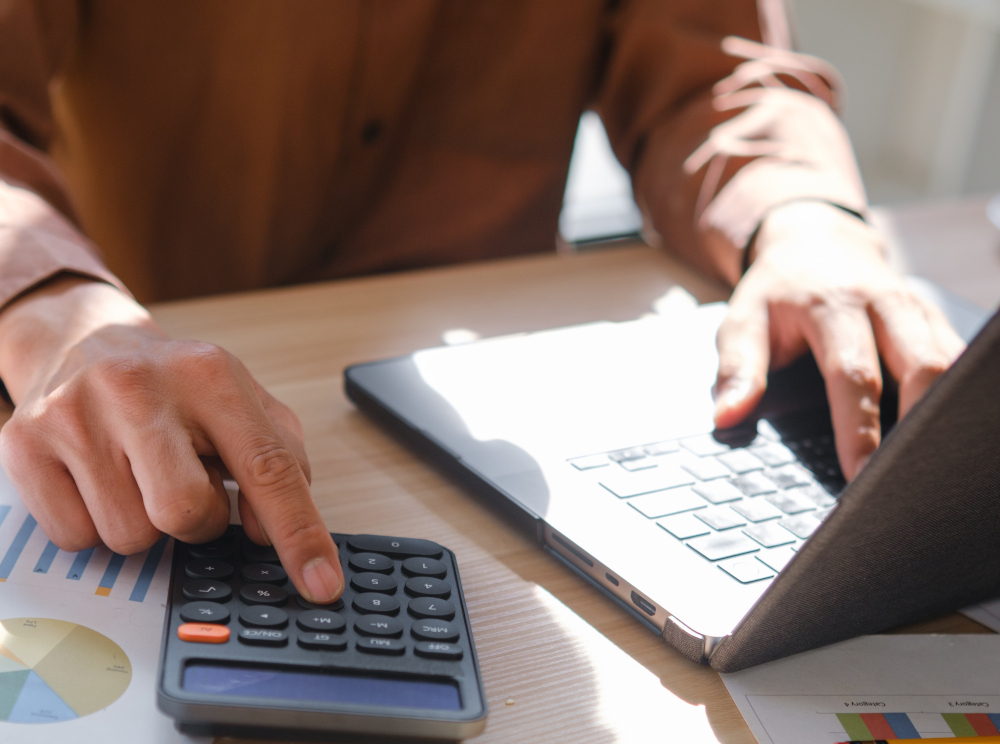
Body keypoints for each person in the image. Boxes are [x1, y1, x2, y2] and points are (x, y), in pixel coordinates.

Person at [0, 0, 964, 605]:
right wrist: (54, 308)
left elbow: (713, 73)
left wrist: (804, 220)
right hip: (136, 405)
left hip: (495, 439)